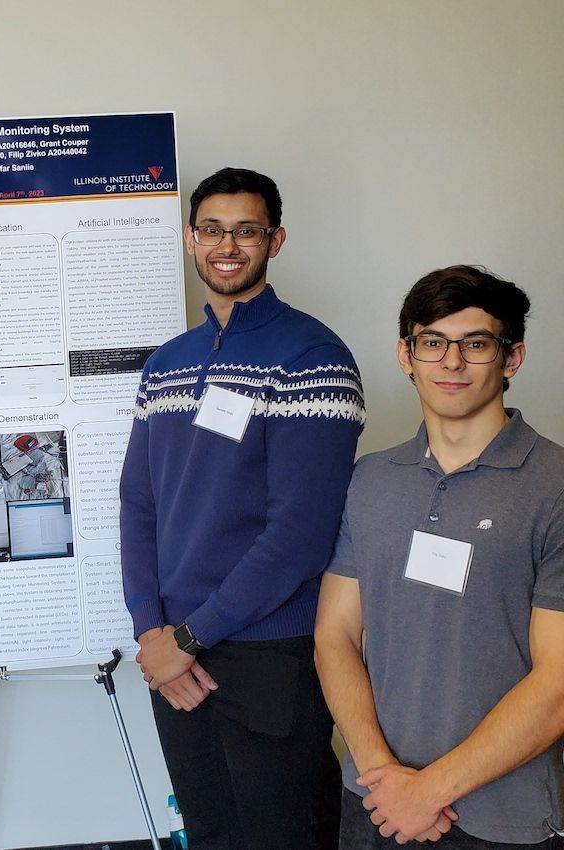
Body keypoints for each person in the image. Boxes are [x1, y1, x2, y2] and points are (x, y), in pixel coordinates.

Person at [120, 167, 365, 848]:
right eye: (213, 230)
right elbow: (138, 503)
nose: (228, 245)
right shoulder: (166, 364)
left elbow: (301, 535)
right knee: (209, 833)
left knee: (279, 837)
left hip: (268, 654)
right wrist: (152, 634)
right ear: (190, 240)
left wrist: (187, 639)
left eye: (247, 231)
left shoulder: (313, 358)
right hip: (172, 654)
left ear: (275, 240)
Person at [315, 266, 564, 848]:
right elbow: (335, 637)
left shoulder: (554, 486)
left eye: (475, 344)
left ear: (513, 356)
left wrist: (427, 793)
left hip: (505, 819)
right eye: (433, 342)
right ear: (407, 355)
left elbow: (558, 681)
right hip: (375, 804)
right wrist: (383, 776)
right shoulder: (370, 480)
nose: (451, 362)